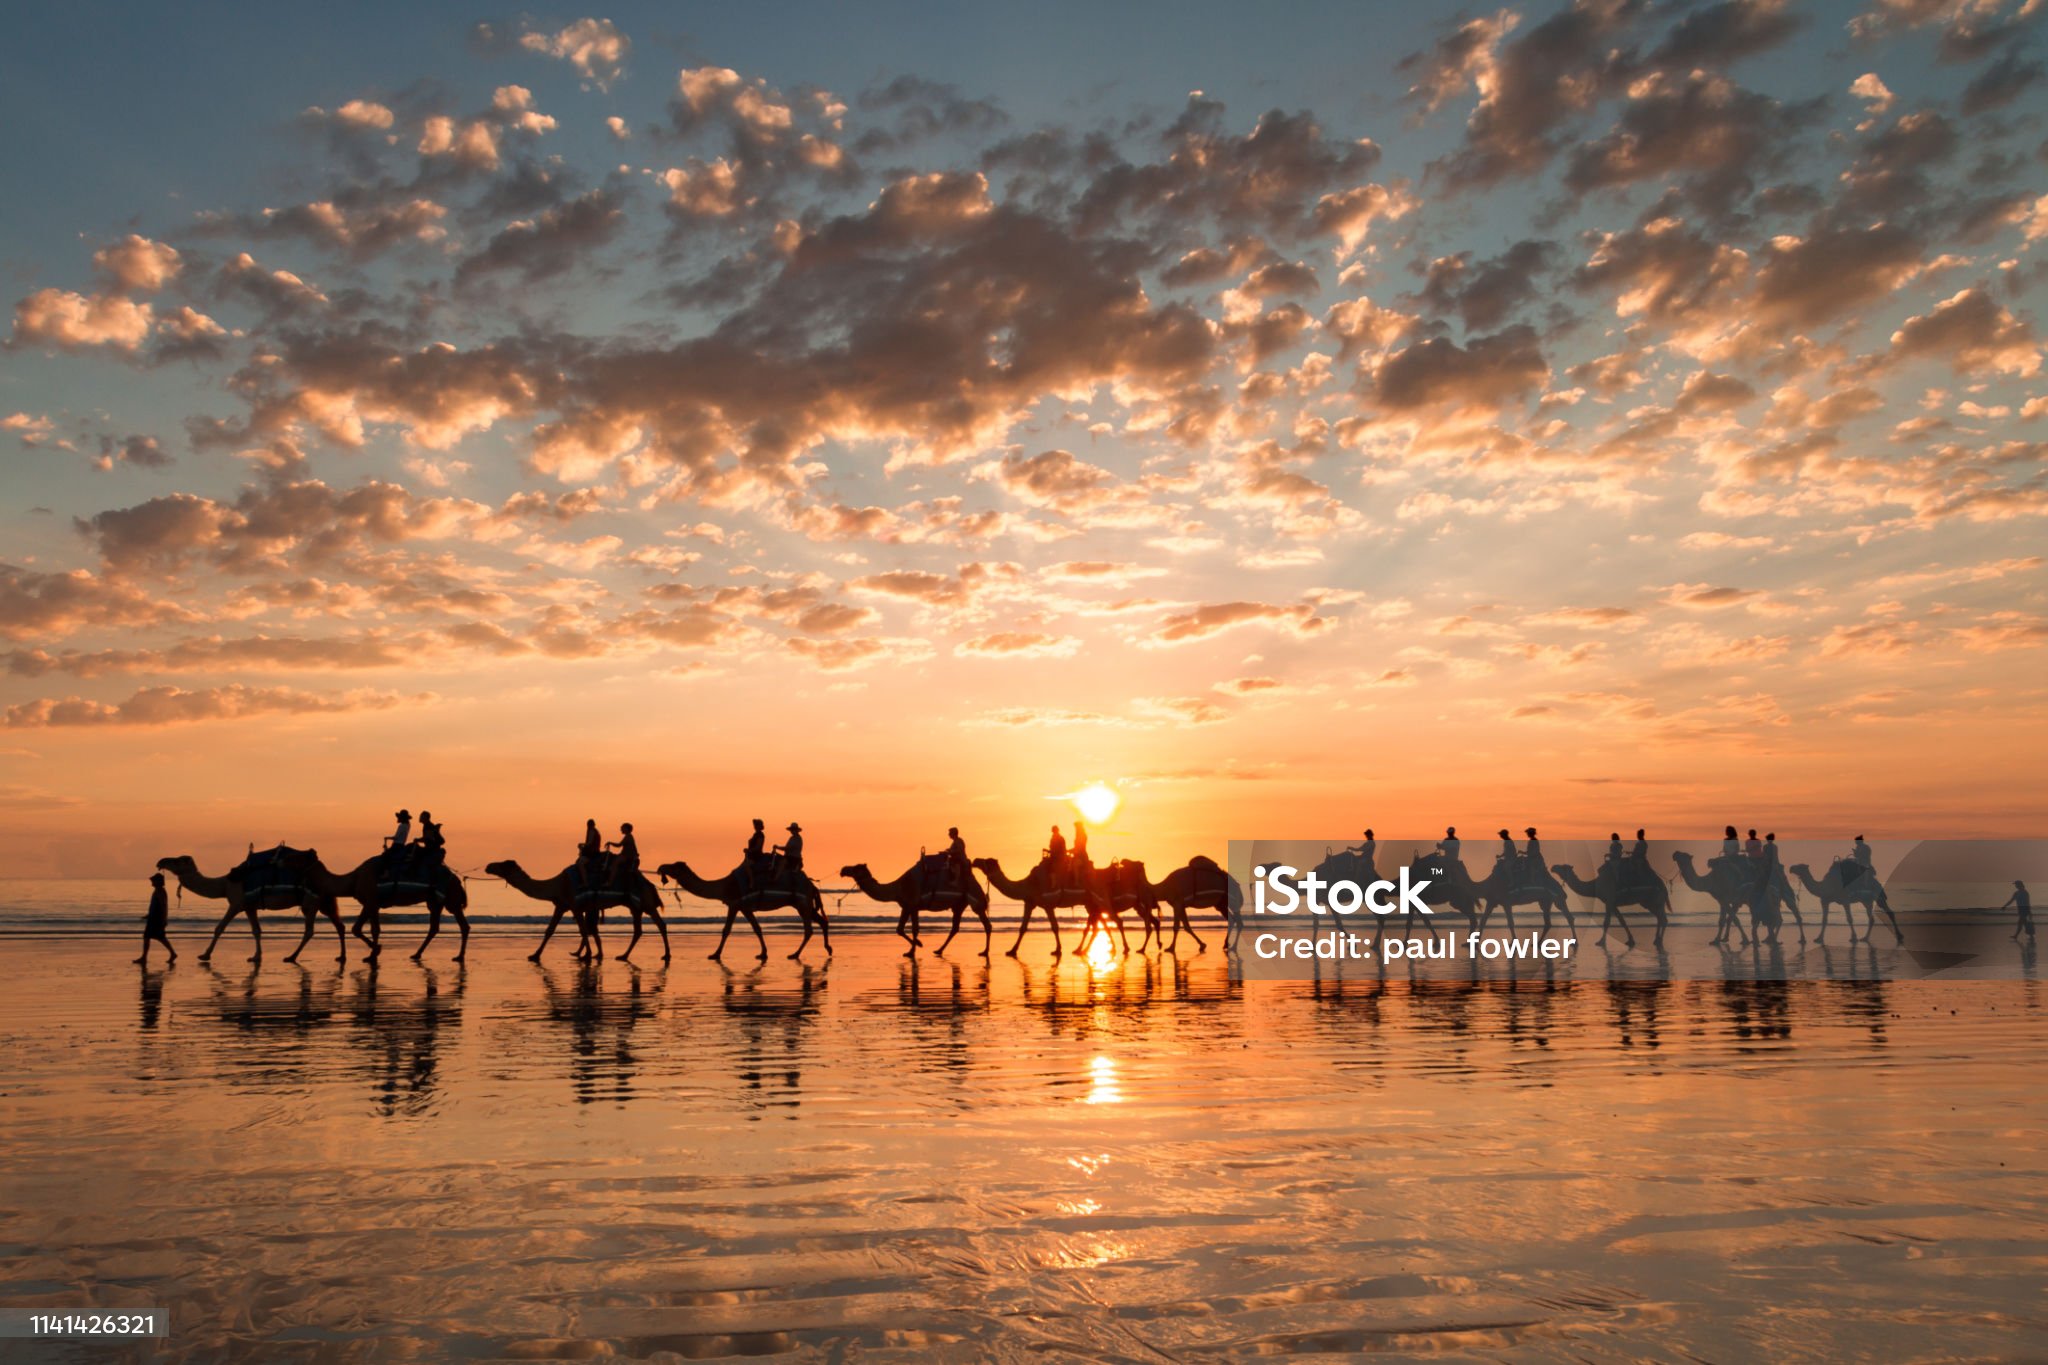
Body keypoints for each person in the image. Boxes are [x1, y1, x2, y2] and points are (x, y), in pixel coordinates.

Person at [135, 872, 176, 965]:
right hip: (154, 918)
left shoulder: (160, 891)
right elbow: (155, 906)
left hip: (156, 920)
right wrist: (149, 915)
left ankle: (144, 958)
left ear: (157, 882)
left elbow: (163, 905)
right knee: (160, 938)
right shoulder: (158, 890)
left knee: (148, 936)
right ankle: (172, 953)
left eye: (153, 880)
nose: (151, 882)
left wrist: (164, 919)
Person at [606, 822, 638, 889]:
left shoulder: (628, 837)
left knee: (614, 864)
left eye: (622, 828)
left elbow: (619, 845)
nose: (621, 829)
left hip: (628, 857)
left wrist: (610, 843)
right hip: (627, 856)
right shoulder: (628, 836)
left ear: (626, 829)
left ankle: (610, 883)